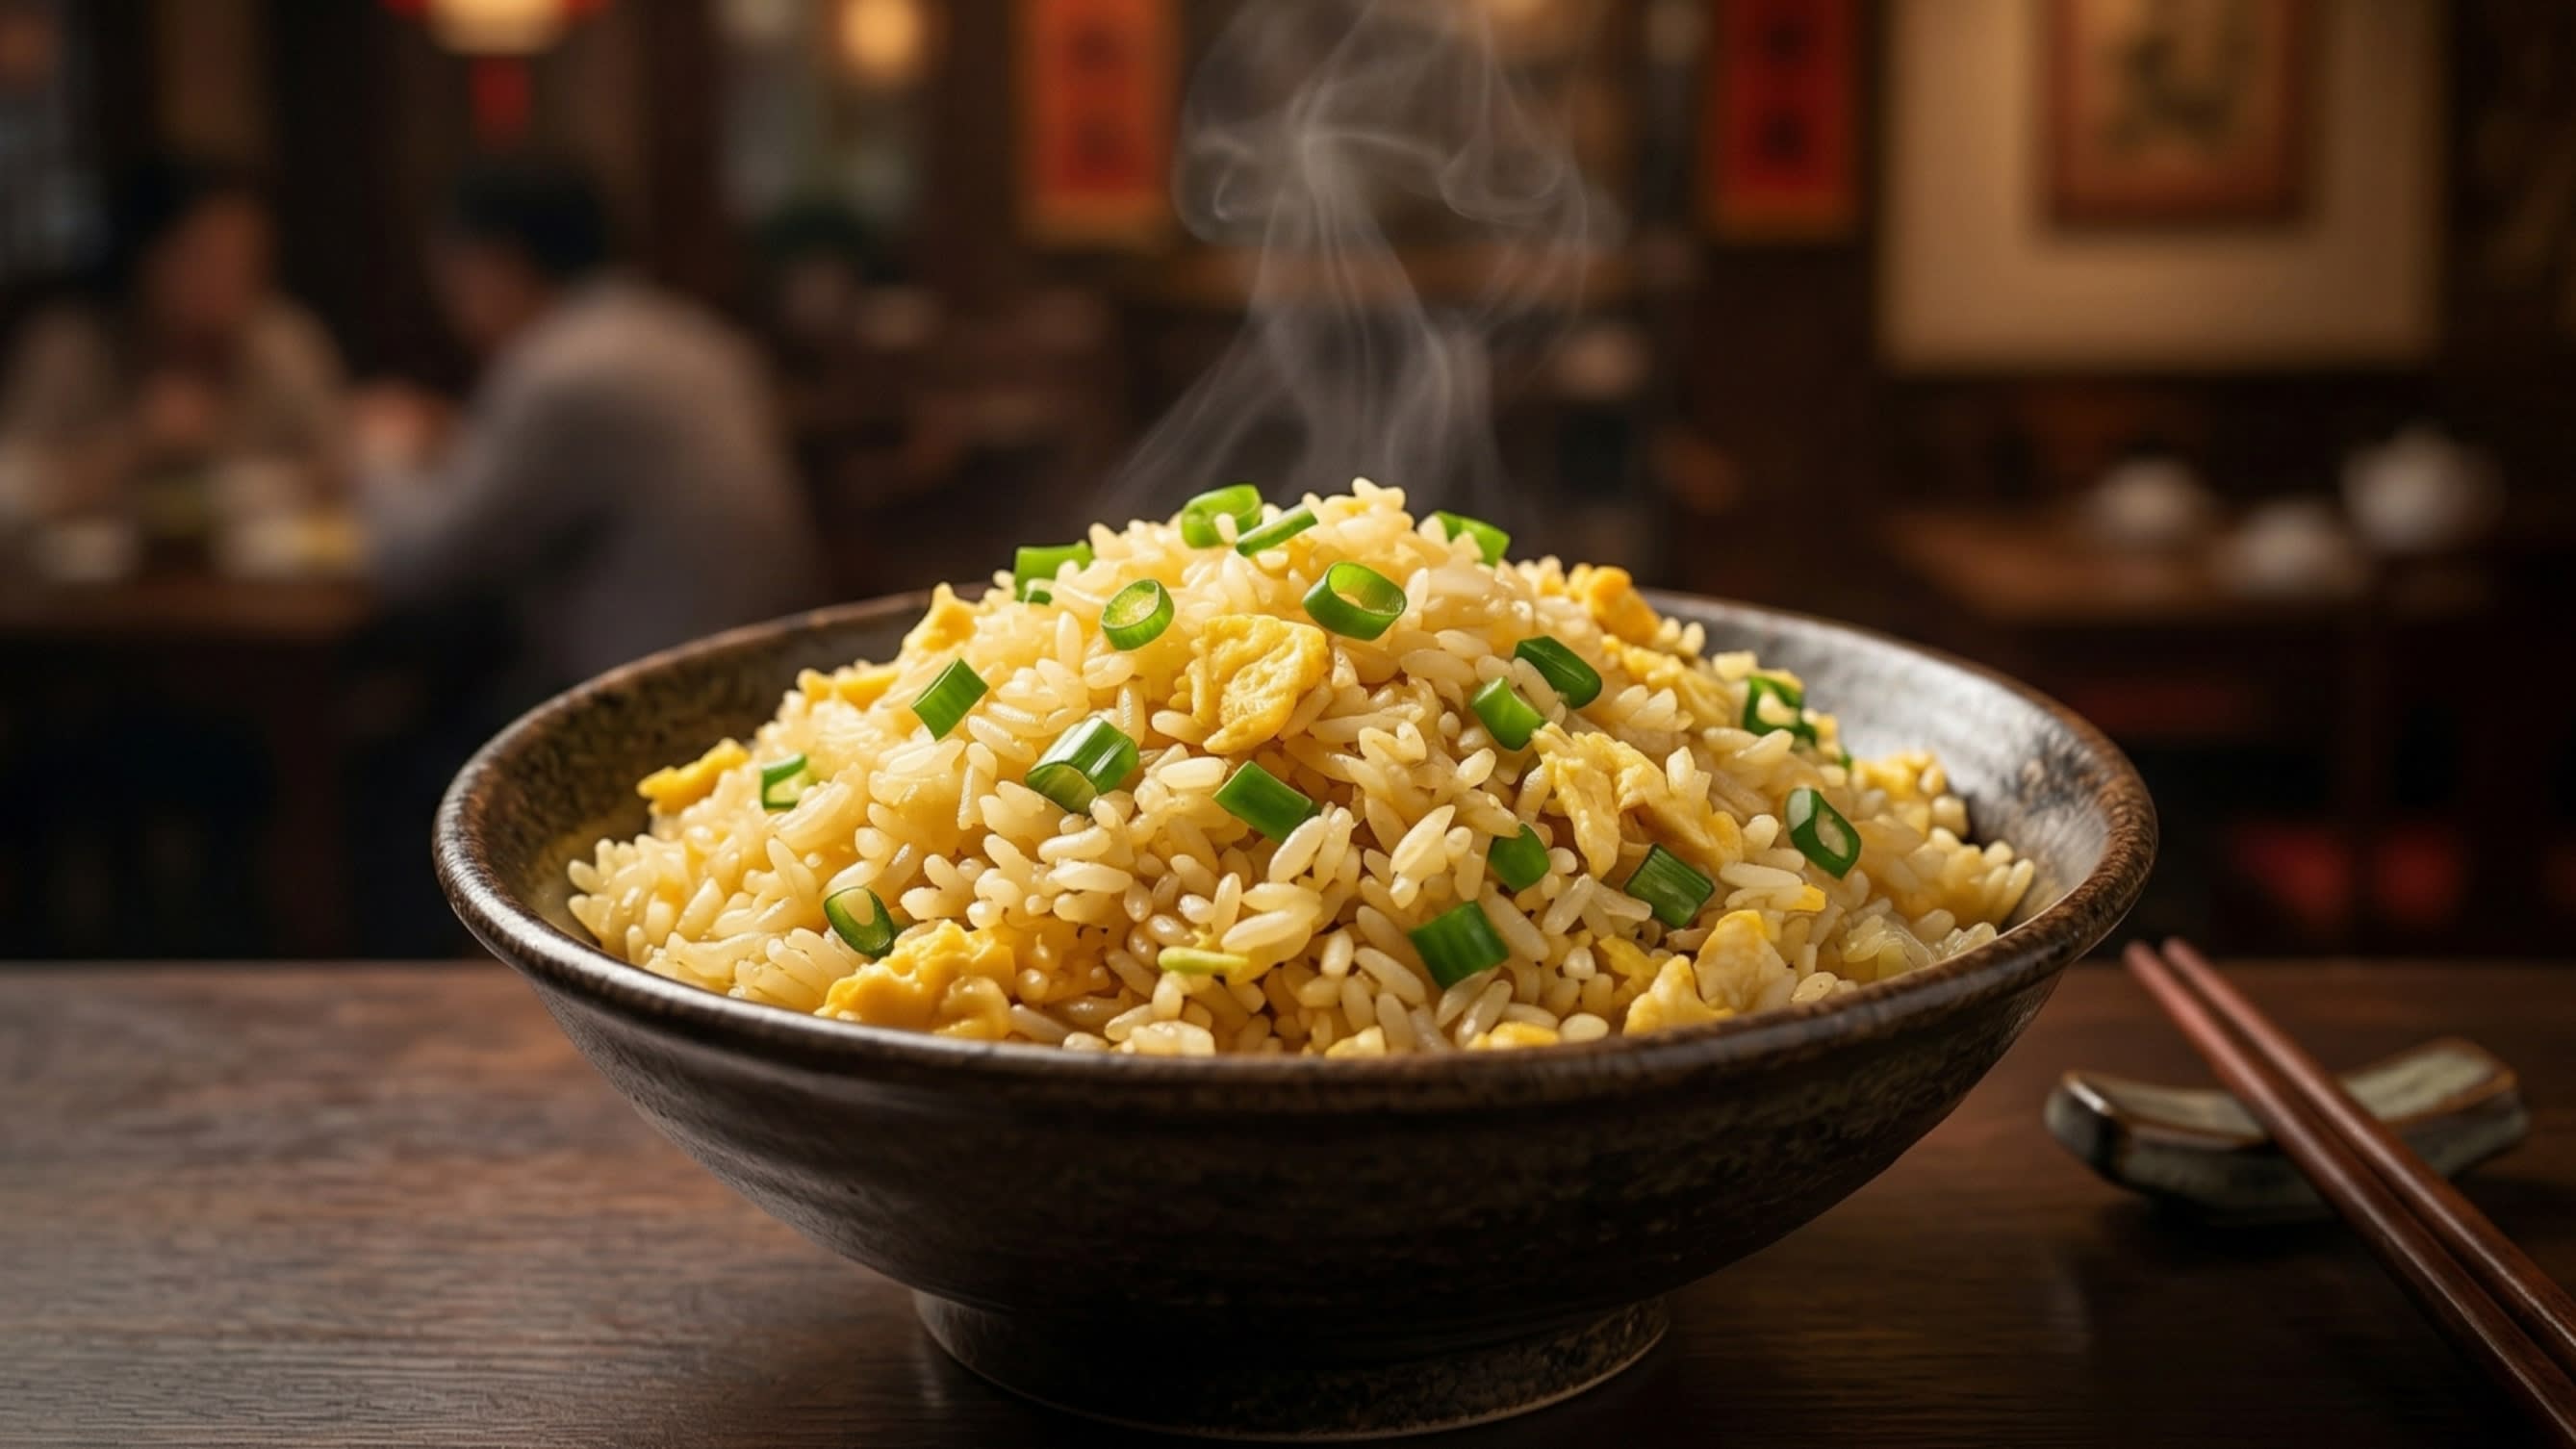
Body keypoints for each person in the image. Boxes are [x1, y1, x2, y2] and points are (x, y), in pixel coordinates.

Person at [355, 157, 824, 701]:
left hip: (652, 696)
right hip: (762, 662)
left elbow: (423, 563)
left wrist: (381, 449)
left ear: (493, 264)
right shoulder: (691, 332)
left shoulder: (559, 370)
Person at [0, 156, 346, 522]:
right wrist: (133, 442)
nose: (228, 285)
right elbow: (11, 488)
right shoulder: (69, 346)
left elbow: (339, 458)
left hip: (263, 575)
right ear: (143, 259)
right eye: (204, 260)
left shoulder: (281, 340)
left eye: (248, 263)